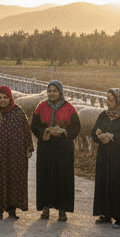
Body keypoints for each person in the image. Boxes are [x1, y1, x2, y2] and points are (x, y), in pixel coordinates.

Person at [31, 80, 79, 221]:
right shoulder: (41, 107)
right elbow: (34, 125)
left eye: (54, 91)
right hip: (46, 146)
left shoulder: (70, 108)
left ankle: (62, 209)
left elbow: (76, 127)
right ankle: (45, 207)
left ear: (60, 92)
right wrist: (43, 132)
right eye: (49, 91)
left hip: (63, 148)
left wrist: (64, 131)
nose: (52, 94)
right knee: (45, 176)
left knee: (62, 177)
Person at [0, 85, 33, 219]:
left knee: (14, 180)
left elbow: (26, 130)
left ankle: (12, 209)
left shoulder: (17, 111)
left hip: (15, 154)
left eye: (5, 97)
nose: (2, 100)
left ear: (10, 98)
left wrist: (29, 148)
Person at [92, 88, 120, 227]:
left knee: (117, 184)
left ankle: (119, 217)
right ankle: (105, 214)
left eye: (111, 99)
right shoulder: (104, 115)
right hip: (104, 155)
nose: (108, 102)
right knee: (103, 182)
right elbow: (94, 133)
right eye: (107, 99)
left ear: (119, 101)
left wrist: (112, 137)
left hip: (119, 157)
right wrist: (98, 135)